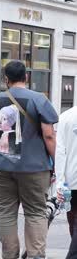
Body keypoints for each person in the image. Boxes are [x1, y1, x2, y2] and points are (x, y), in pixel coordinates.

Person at [0, 60, 58, 259]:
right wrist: (56, 162)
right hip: (34, 167)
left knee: (5, 211)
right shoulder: (38, 99)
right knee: (35, 211)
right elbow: (49, 135)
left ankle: (10, 255)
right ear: (26, 77)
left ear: (6, 79)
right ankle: (36, 255)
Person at [55, 106, 77, 259]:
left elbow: (60, 151)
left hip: (70, 181)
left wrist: (60, 181)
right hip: (69, 181)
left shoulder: (66, 116)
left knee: (72, 223)